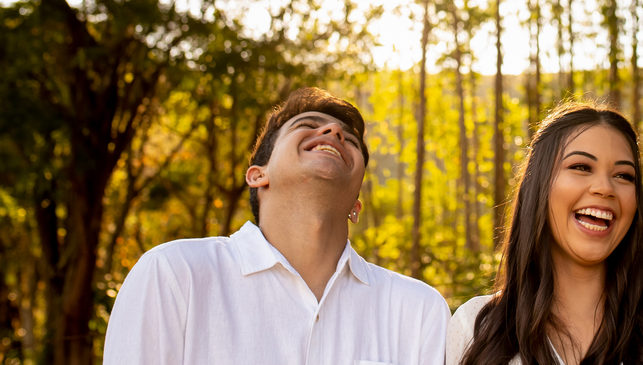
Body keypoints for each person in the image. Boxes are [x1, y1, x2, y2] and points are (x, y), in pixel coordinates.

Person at [104, 87, 450, 364]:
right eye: (307, 125)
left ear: (355, 205)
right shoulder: (175, 275)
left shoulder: (418, 310)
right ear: (258, 175)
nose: (333, 132)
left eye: (352, 140)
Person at [446, 102, 643, 365]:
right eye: (581, 167)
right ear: (539, 188)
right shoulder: (475, 328)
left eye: (623, 175)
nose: (605, 188)